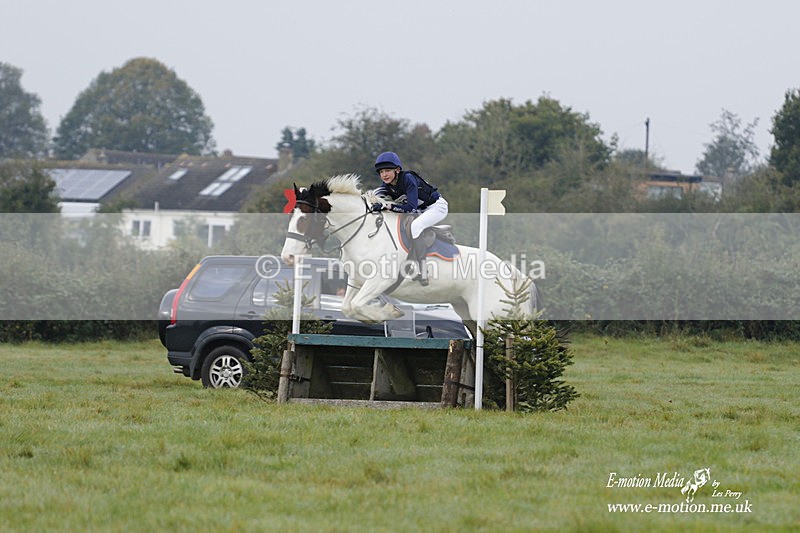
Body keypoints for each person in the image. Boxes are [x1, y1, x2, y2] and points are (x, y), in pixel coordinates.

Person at [371, 151, 448, 285]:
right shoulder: (387, 186)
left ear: (397, 170)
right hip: (421, 210)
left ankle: (423, 270)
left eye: (387, 170)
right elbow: (376, 196)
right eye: (381, 172)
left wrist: (387, 206)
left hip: (436, 207)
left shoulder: (407, 178)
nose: (384, 175)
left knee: (415, 226)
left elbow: (411, 208)